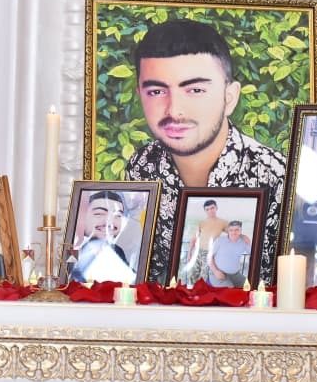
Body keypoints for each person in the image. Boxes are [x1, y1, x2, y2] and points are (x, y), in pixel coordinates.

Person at [124, 19, 285, 283]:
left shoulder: (276, 175)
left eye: (195, 90)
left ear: (229, 97)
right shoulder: (142, 166)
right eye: (156, 91)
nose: (174, 110)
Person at [69, 190, 138, 284]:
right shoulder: (74, 249)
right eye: (99, 214)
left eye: (117, 216)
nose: (109, 222)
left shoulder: (116, 251)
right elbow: (69, 278)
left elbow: (132, 282)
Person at [208, 220, 251, 287]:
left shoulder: (244, 241)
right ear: (228, 231)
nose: (233, 232)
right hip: (218, 273)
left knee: (249, 285)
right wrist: (216, 272)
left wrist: (247, 240)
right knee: (230, 289)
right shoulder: (220, 240)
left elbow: (253, 254)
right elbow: (209, 257)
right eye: (231, 230)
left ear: (240, 231)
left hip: (235, 274)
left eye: (236, 230)